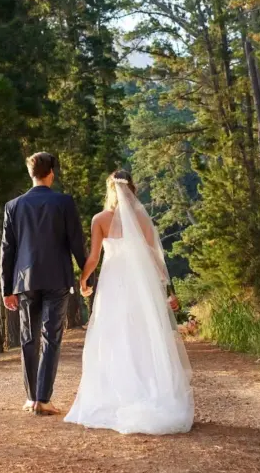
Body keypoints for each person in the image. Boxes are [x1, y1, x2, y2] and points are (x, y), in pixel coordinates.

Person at [65, 170, 194, 435]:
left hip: (114, 284)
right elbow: (156, 259)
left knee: (112, 335)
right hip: (140, 285)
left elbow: (94, 257)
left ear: (110, 190)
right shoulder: (142, 220)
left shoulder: (100, 219)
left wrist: (83, 279)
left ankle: (116, 393)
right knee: (143, 335)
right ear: (132, 190)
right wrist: (168, 290)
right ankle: (150, 391)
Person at [0, 152, 88, 416]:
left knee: (29, 338)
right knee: (52, 337)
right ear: (52, 173)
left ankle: (31, 398)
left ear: (31, 173)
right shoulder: (64, 202)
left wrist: (7, 289)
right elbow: (77, 243)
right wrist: (87, 276)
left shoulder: (13, 206)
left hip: (25, 281)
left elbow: (7, 250)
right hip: (57, 279)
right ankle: (44, 399)